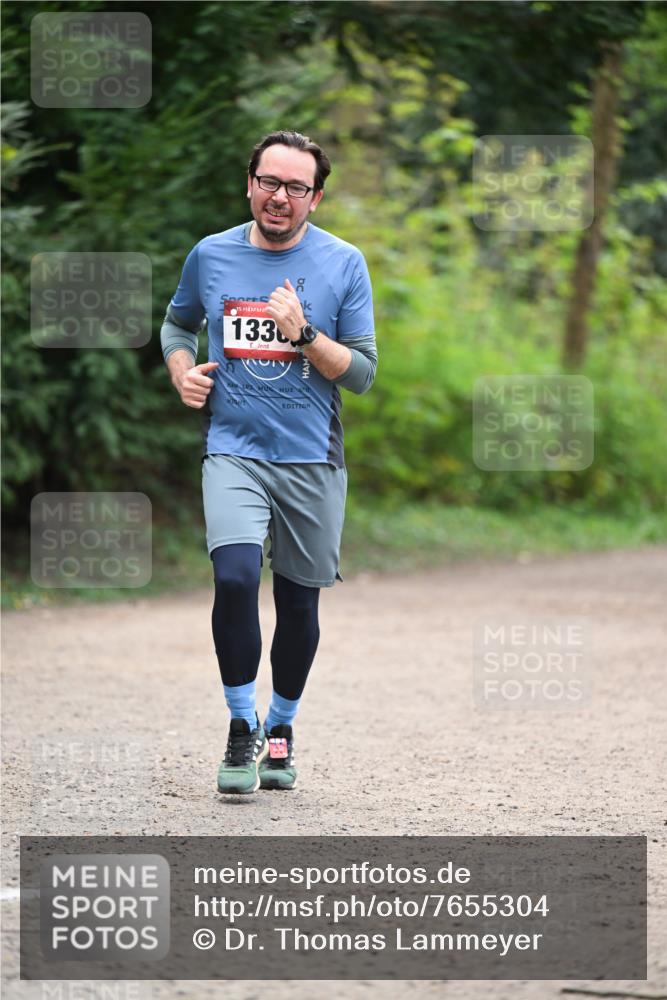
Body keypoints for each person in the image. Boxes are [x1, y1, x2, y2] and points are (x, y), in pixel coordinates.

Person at [161, 130, 377, 794]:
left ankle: (280, 728)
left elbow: (362, 373)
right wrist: (180, 371)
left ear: (315, 198)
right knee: (232, 578)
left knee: (298, 603)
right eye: (269, 182)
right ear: (249, 182)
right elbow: (177, 325)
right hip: (234, 448)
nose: (279, 197)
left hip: (311, 456)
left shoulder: (343, 263)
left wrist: (305, 334)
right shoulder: (212, 254)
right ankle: (239, 724)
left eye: (295, 187)